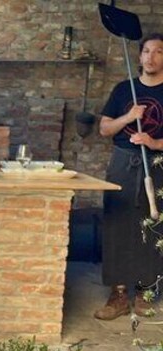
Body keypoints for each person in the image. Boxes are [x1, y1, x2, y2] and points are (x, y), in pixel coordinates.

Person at [97, 33, 163, 320]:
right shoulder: (124, 90)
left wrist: (154, 143)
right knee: (117, 225)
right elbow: (104, 129)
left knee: (152, 227)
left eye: (158, 52)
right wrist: (128, 117)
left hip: (157, 164)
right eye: (146, 51)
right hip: (123, 163)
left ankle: (147, 291)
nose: (151, 57)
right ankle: (120, 294)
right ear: (138, 57)